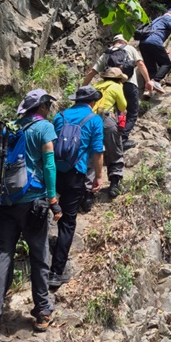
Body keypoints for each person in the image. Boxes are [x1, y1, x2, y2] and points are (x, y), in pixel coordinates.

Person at [0, 89, 63, 342]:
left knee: (3, 257)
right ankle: (41, 311)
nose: (49, 108)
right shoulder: (44, 128)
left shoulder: (12, 128)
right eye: (48, 104)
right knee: (39, 256)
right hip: (32, 204)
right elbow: (49, 164)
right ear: (42, 106)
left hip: (5, 204)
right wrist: (53, 199)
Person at [49, 85, 106, 291]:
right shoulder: (94, 120)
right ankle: (56, 272)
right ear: (92, 102)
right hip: (76, 174)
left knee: (51, 207)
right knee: (67, 222)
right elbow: (97, 152)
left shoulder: (60, 116)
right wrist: (98, 177)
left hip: (54, 172)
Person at [81, 34, 154, 147]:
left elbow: (92, 72)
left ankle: (110, 138)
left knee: (114, 112)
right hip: (129, 83)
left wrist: (83, 88)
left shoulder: (107, 53)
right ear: (124, 42)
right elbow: (140, 64)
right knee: (133, 112)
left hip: (111, 85)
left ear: (114, 42)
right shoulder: (129, 48)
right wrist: (148, 81)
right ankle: (122, 140)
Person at [92, 68, 129, 200]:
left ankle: (88, 191)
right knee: (114, 150)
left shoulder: (96, 86)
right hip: (107, 120)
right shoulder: (116, 86)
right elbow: (123, 106)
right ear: (119, 79)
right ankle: (114, 184)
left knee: (93, 152)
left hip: (91, 120)